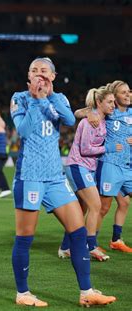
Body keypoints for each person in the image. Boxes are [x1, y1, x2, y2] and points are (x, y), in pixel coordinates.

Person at [10, 57, 115, 307]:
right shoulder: (19, 98)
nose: (39, 74)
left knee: (78, 232)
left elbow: (68, 120)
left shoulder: (59, 98)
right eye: (34, 70)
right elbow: (23, 131)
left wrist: (49, 96)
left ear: (53, 76)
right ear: (28, 75)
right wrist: (36, 100)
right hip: (30, 176)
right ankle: (22, 293)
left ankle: (86, 292)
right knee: (25, 236)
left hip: (55, 178)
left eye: (44, 71)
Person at [59, 87, 116, 262]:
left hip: (88, 168)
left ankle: (65, 247)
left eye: (114, 102)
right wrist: (107, 148)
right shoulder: (89, 122)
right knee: (96, 206)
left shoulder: (103, 120)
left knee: (81, 209)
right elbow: (85, 149)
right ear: (99, 102)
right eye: (110, 102)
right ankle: (90, 246)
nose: (113, 105)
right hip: (77, 166)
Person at [79, 80, 132, 252]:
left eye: (129, 91)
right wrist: (90, 114)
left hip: (126, 166)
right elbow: (78, 112)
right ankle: (89, 242)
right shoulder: (110, 111)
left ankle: (116, 240)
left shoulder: (131, 113)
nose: (128, 94)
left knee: (124, 204)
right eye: (123, 92)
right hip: (109, 164)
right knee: (103, 207)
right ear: (114, 97)